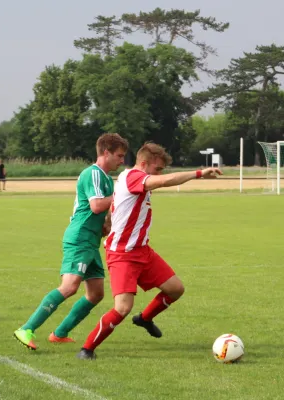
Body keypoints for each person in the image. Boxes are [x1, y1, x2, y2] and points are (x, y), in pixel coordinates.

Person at [76, 142, 222, 360]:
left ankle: (144, 319)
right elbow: (163, 181)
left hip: (142, 251)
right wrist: (198, 173)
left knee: (175, 289)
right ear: (143, 164)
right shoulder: (133, 176)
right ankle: (87, 349)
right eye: (157, 169)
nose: (159, 174)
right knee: (122, 308)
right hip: (123, 254)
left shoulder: (133, 180)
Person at [13, 133, 129, 350]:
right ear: (105, 153)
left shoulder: (105, 178)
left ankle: (59, 333)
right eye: (119, 156)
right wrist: (124, 195)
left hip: (91, 241)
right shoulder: (92, 174)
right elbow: (95, 206)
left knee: (96, 294)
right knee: (69, 286)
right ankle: (26, 328)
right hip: (79, 239)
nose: (122, 161)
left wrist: (108, 226)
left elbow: (101, 213)